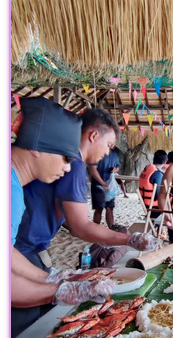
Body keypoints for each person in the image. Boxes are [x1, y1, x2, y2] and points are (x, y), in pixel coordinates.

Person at [11, 99, 120, 338]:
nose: (69, 169)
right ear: (37, 147)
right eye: (65, 159)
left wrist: (53, 277)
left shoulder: (15, 186)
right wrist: (57, 291)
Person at [16, 107, 161, 270]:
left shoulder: (70, 162)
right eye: (108, 145)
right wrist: (129, 239)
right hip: (22, 246)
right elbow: (80, 226)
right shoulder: (75, 165)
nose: (107, 152)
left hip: (27, 243)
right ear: (93, 136)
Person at [138, 150, 168, 215]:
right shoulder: (157, 174)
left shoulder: (146, 170)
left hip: (145, 204)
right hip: (154, 207)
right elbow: (159, 195)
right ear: (166, 161)